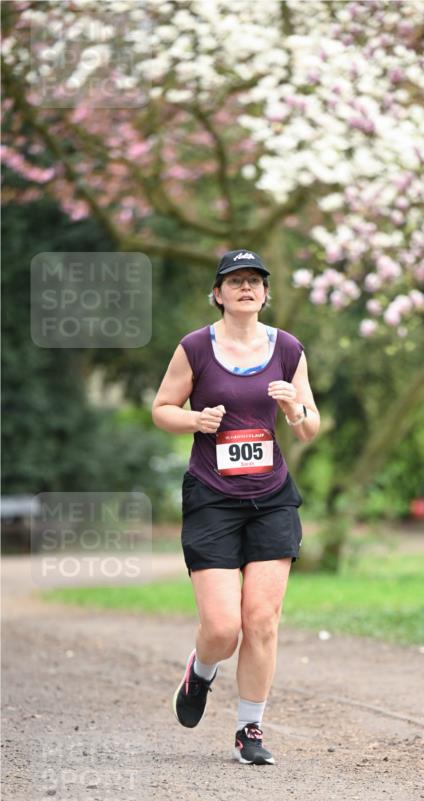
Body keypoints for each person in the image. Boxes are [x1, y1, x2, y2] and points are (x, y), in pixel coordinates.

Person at [152, 249, 320, 764]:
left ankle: (250, 730)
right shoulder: (195, 348)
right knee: (224, 628)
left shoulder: (288, 349)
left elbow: (310, 426)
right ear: (219, 293)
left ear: (266, 294)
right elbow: (162, 409)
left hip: (270, 499)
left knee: (263, 619)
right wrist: (195, 421)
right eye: (235, 280)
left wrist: (294, 407)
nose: (246, 287)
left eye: (255, 281)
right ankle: (201, 670)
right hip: (212, 499)